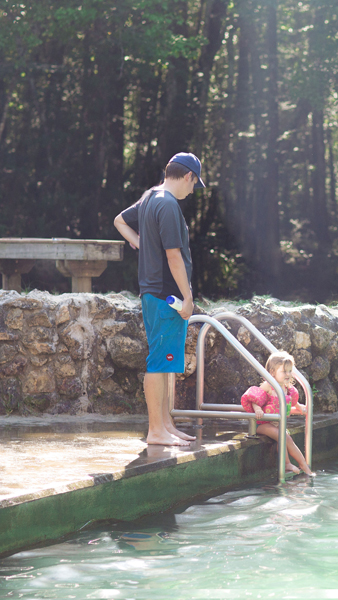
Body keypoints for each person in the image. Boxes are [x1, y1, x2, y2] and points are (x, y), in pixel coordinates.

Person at [113, 152, 205, 446]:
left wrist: (141, 244)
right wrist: (188, 297)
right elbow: (173, 256)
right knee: (158, 363)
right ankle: (156, 431)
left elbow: (119, 221)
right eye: (194, 184)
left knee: (166, 363)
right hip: (166, 296)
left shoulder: (151, 196)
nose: (193, 191)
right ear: (188, 176)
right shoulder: (167, 205)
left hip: (155, 294)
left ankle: (166, 425)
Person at [241, 351, 314, 476]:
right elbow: (254, 398)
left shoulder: (286, 388)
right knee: (283, 435)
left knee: (288, 439)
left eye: (289, 371)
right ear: (272, 372)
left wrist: (298, 406)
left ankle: (303, 465)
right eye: (284, 371)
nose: (288, 374)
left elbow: (289, 401)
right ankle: (286, 464)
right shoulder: (268, 386)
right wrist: (257, 409)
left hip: (277, 423)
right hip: (262, 424)